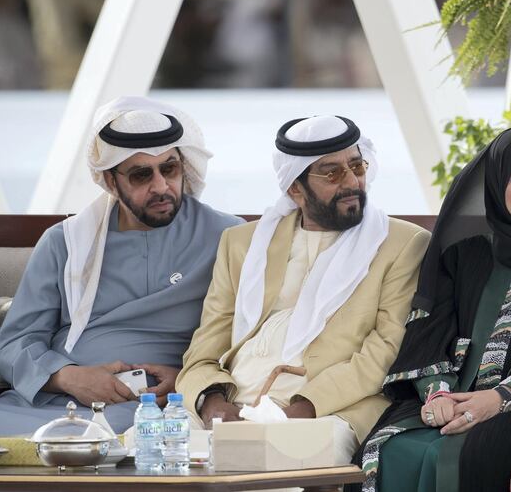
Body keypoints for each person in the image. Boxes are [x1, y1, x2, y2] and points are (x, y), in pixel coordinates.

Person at [351, 126, 511, 492]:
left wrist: (501, 396)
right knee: (389, 449)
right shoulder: (466, 255)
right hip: (450, 397)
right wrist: (437, 393)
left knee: (461, 457)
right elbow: (430, 329)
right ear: (495, 188)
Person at [175, 115, 430, 464]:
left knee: (261, 462)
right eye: (332, 173)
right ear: (295, 189)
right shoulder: (242, 245)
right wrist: (212, 402)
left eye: (356, 166)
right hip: (233, 402)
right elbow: (205, 348)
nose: (352, 181)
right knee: (146, 454)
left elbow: (386, 350)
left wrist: (303, 408)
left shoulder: (401, 244)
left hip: (328, 409)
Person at [0, 97, 243, 434]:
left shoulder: (227, 237)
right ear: (111, 181)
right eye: (142, 175)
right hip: (56, 402)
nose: (161, 187)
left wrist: (193, 383)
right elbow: (14, 343)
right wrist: (68, 377)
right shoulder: (65, 243)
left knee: (134, 433)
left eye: (169, 169)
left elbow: (252, 336)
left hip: (162, 407)